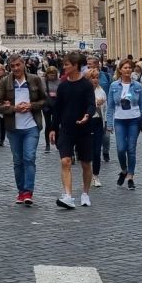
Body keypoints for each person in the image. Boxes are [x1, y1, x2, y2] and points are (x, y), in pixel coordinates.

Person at [0, 56, 47, 206]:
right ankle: (21, 191)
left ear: (24, 64)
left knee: (29, 158)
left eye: (18, 65)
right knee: (18, 161)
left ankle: (29, 191)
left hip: (31, 126)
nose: (16, 68)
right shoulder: (5, 82)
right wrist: (13, 108)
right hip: (13, 127)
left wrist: (31, 106)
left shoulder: (35, 80)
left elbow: (44, 100)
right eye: (12, 66)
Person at [49, 52, 97, 210]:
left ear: (75, 66)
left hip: (84, 128)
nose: (64, 67)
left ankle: (85, 193)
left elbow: (91, 104)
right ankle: (68, 196)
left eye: (66, 64)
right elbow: (57, 110)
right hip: (67, 129)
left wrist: (87, 116)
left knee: (85, 163)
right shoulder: (62, 86)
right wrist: (53, 129)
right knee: (65, 161)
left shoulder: (87, 85)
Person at [107, 60, 142, 190]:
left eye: (130, 68)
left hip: (134, 120)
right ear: (120, 70)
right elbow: (110, 106)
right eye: (125, 68)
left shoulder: (137, 86)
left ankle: (130, 176)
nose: (128, 70)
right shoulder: (114, 86)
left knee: (131, 149)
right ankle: (124, 170)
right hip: (119, 120)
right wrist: (109, 123)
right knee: (121, 148)